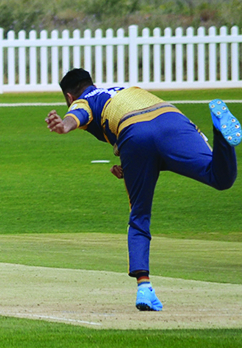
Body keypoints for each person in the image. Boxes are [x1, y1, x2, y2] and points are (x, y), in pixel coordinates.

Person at [46, 68, 239, 311]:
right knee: (219, 176)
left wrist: (64, 126)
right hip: (172, 118)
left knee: (139, 214)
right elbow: (156, 144)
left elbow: (79, 115)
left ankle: (144, 288)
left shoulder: (85, 100)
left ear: (69, 97)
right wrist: (129, 164)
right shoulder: (124, 90)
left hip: (134, 132)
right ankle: (221, 134)